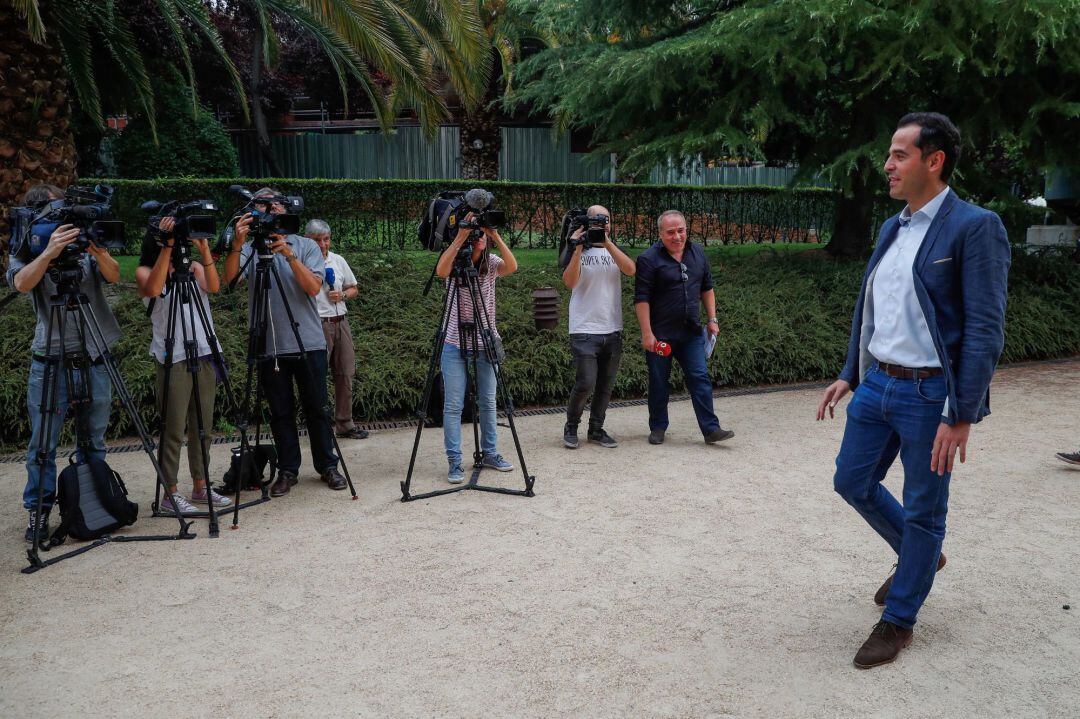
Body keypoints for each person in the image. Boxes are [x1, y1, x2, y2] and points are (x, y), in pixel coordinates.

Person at [816, 112, 1010, 669]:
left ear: (934, 161)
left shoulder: (975, 227)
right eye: (890, 154)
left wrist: (962, 412)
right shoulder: (892, 227)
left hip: (932, 398)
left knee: (925, 511)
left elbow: (983, 328)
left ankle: (898, 619)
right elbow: (872, 307)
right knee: (851, 481)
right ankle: (921, 559)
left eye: (899, 154)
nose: (888, 165)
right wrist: (851, 372)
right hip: (878, 384)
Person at [7, 184, 121, 541]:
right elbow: (21, 284)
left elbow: (115, 274)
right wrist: (48, 253)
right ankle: (39, 512)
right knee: (43, 444)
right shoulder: (26, 245)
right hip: (50, 357)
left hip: (94, 353)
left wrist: (97, 249)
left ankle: (93, 505)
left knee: (95, 439)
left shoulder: (83, 238)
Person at [223, 189, 347, 496]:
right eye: (263, 209)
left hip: (307, 340)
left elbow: (312, 287)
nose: (270, 214)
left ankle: (328, 465)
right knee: (280, 411)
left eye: (274, 208)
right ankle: (288, 470)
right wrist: (238, 244)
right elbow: (229, 281)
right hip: (269, 343)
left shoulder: (305, 245)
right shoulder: (251, 248)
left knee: (318, 407)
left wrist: (288, 254)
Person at [135, 218, 232, 515]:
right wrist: (168, 249)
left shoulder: (195, 268)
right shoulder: (145, 271)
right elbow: (153, 289)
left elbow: (214, 287)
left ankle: (201, 486)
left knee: (203, 426)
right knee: (173, 427)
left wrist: (203, 251)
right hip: (172, 354)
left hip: (203, 350)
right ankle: (170, 492)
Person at [633, 210, 733, 445]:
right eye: (671, 232)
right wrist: (647, 333)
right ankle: (658, 427)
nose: (677, 236)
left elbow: (707, 288)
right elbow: (641, 299)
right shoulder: (648, 259)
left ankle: (711, 429)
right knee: (659, 381)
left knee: (700, 377)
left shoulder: (697, 252)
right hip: (661, 335)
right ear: (660, 234)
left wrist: (712, 319)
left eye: (681, 230)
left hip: (691, 333)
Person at [434, 216, 519, 483]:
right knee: (454, 405)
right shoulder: (456, 263)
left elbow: (513, 266)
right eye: (476, 233)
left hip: (486, 339)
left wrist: (494, 235)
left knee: (488, 401)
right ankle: (455, 461)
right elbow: (440, 271)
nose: (478, 236)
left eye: (480, 234)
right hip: (453, 340)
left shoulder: (491, 264)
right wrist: (461, 236)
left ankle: (490, 452)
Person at [560, 205, 636, 449]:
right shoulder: (576, 247)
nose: (601, 223)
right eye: (596, 220)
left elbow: (630, 270)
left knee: (606, 384)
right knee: (586, 382)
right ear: (586, 221)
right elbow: (570, 283)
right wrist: (577, 248)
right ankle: (571, 427)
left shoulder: (613, 248)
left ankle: (596, 429)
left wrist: (607, 242)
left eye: (606, 219)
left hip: (612, 327)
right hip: (584, 328)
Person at [305, 219, 367, 440]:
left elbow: (353, 288)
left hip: (341, 322)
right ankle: (319, 427)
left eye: (326, 239)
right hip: (317, 324)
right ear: (307, 241)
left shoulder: (337, 260)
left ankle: (344, 424)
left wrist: (341, 295)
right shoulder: (302, 263)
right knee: (317, 377)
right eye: (317, 240)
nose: (323, 245)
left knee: (346, 373)